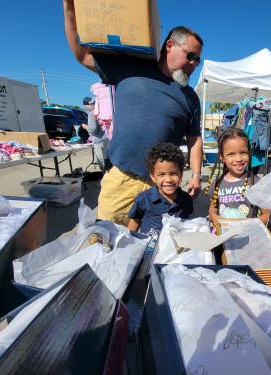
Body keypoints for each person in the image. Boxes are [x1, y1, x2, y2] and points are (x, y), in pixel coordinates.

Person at [63, 0, 203, 225]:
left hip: (159, 186)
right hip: (120, 179)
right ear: (170, 46)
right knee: (104, 241)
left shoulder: (190, 97)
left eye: (197, 59)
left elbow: (194, 139)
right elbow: (81, 54)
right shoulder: (128, 68)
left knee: (153, 246)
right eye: (191, 56)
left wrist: (196, 175)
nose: (194, 64)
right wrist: (69, 7)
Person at [208, 128, 270, 227]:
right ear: (222, 157)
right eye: (231, 154)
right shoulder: (218, 183)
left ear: (249, 153)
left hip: (249, 236)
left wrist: (253, 224)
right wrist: (214, 217)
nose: (238, 159)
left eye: (243, 153)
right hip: (224, 237)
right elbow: (213, 208)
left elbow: (267, 214)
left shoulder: (257, 183)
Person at [127, 143, 193, 236]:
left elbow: (187, 224)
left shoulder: (186, 199)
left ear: (181, 174)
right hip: (149, 248)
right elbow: (134, 224)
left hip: (176, 248)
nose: (168, 180)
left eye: (173, 173)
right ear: (153, 177)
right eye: (161, 174)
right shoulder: (143, 199)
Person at [81, 96, 110, 172]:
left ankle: (105, 181)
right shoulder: (101, 111)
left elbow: (93, 130)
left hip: (98, 141)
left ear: (86, 105)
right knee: (109, 162)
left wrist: (85, 126)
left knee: (103, 165)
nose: (92, 105)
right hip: (106, 138)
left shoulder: (91, 114)